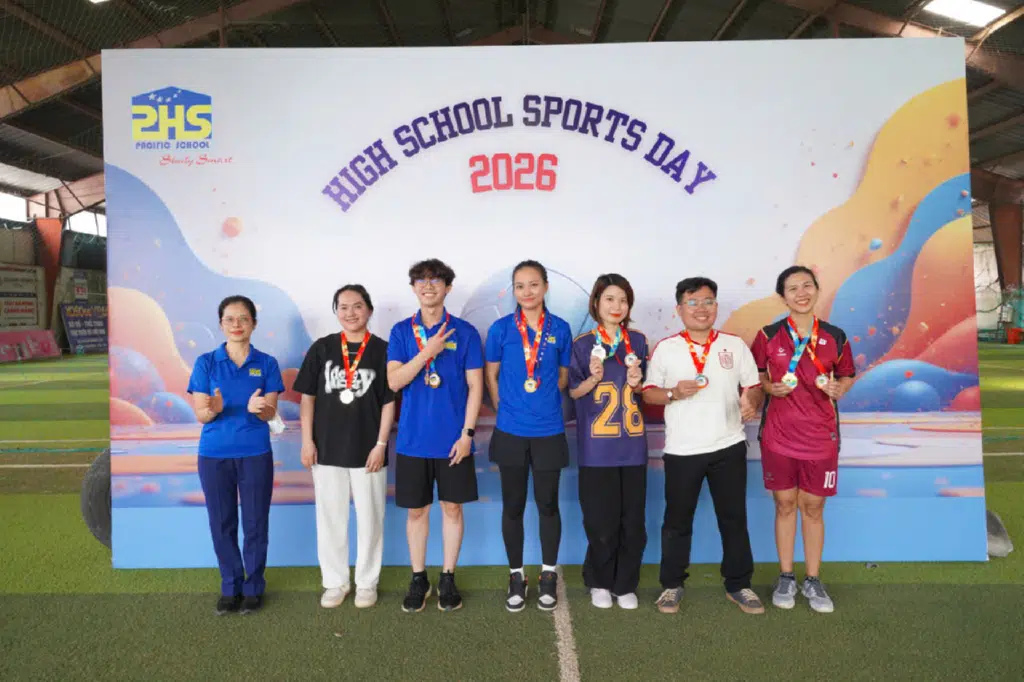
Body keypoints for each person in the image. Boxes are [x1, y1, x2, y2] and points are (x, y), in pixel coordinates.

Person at [642, 277, 765, 615]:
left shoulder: (734, 345)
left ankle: (739, 585)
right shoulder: (667, 348)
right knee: (677, 522)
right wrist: (673, 393)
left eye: (708, 301)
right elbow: (649, 393)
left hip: (729, 445)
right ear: (679, 309)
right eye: (693, 302)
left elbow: (754, 386)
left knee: (734, 519)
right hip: (683, 450)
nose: (701, 308)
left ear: (716, 306)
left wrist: (751, 401)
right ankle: (671, 585)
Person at [751, 265, 856, 614]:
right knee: (784, 505)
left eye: (807, 285)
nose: (801, 293)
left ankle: (812, 578)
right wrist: (769, 388)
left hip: (821, 437)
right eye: (793, 288)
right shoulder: (768, 335)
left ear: (816, 290)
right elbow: (756, 377)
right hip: (778, 436)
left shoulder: (835, 336)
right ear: (783, 297)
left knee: (813, 508)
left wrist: (840, 388)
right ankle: (786, 576)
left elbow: (847, 375)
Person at [387, 259, 484, 612]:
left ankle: (447, 577)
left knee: (452, 508)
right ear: (413, 288)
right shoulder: (401, 332)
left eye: (436, 280)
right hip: (413, 441)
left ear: (448, 287)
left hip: (453, 441)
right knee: (417, 512)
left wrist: (467, 434)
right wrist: (427, 352)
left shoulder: (465, 332)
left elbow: (476, 387)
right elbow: (394, 381)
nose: (428, 286)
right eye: (421, 281)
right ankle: (418, 578)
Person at [294, 285, 395, 610]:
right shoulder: (322, 348)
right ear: (336, 311)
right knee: (331, 519)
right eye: (343, 307)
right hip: (326, 449)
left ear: (369, 310)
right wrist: (307, 441)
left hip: (369, 450)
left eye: (357, 306)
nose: (351, 313)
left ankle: (367, 582)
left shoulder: (383, 350)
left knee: (371, 519)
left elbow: (389, 402)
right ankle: (335, 582)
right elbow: (307, 398)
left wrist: (381, 444)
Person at [187, 295, 285, 616]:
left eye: (243, 318)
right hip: (214, 456)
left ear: (254, 323)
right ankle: (231, 586)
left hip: (255, 454)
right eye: (230, 319)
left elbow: (271, 413)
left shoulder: (267, 363)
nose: (237, 325)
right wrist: (213, 409)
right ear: (221, 324)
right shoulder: (206, 362)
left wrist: (261, 408)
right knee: (222, 522)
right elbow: (201, 414)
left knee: (256, 523)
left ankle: (254, 586)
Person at [484, 260, 573, 612]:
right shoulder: (500, 329)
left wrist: (540, 395)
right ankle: (516, 576)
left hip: (549, 431)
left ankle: (548, 574)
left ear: (545, 286)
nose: (527, 292)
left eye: (533, 284)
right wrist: (505, 407)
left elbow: (563, 378)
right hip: (511, 432)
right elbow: (491, 375)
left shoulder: (560, 329)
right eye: (520, 286)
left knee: (548, 505)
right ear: (513, 291)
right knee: (513, 506)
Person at [568, 273, 649, 610]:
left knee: (633, 523)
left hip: (633, 447)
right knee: (601, 521)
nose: (617, 306)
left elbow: (645, 392)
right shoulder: (582, 344)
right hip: (597, 449)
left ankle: (625, 583)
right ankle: (599, 581)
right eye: (610, 299)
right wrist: (592, 378)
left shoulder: (639, 341)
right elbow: (573, 392)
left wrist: (637, 382)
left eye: (623, 300)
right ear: (597, 303)